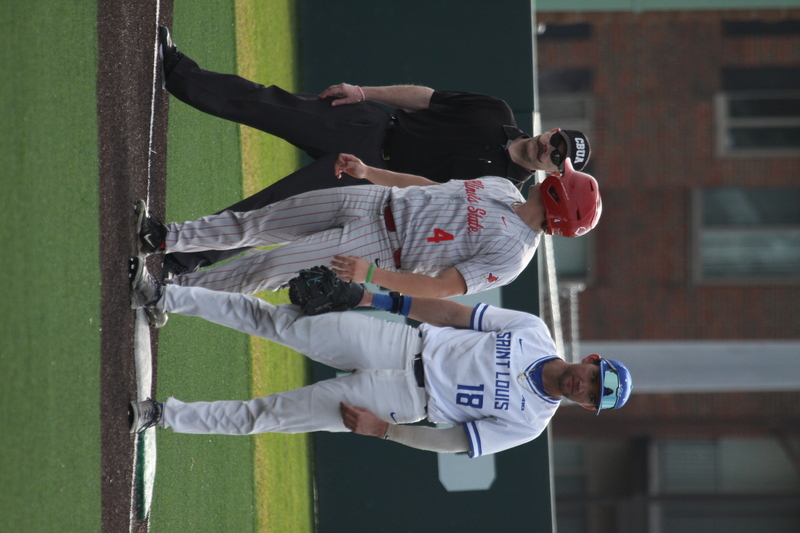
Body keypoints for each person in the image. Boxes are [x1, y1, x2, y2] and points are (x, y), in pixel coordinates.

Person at [156, 26, 593, 275]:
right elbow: (426, 97)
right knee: (268, 103)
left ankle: (179, 258)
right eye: (556, 139)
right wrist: (364, 92)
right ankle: (177, 70)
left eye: (558, 155)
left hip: (370, 191)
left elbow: (427, 200)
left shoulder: (505, 192)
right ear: (551, 130)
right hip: (372, 129)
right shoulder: (494, 110)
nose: (549, 148)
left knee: (270, 212)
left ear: (556, 172)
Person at [127, 258, 632, 456]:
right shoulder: (533, 332)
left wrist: (382, 430)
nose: (584, 387)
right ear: (591, 360)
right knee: (275, 321)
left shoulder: (531, 423)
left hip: (400, 400)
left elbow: (454, 441)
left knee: (272, 414)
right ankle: (161, 295)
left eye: (593, 396)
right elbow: (455, 316)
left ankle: (162, 415)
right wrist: (380, 299)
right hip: (401, 343)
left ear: (587, 407)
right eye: (595, 377)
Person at [134, 155, 601, 326]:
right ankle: (165, 238)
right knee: (262, 221)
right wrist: (370, 173)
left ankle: (169, 297)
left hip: (377, 251)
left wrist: (372, 278)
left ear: (560, 198)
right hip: (373, 202)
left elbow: (441, 288)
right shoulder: (505, 187)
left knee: (265, 269)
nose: (555, 172)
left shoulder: (514, 254)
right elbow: (427, 184)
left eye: (563, 179)